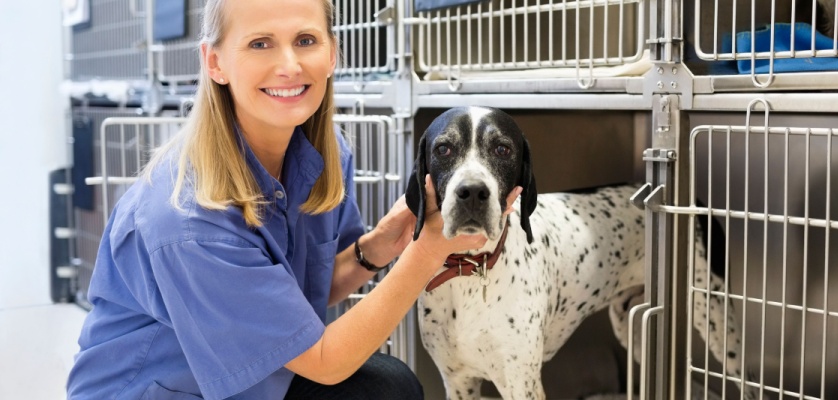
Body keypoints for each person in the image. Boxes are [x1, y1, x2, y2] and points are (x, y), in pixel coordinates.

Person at [66, 0, 520, 398]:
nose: (289, 65)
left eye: (305, 39)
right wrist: (429, 250)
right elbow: (325, 361)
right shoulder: (186, 221)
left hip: (262, 380)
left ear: (331, 54)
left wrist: (378, 247)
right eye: (260, 43)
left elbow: (302, 295)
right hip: (166, 391)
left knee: (388, 385)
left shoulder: (324, 156)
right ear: (215, 62)